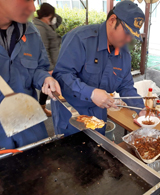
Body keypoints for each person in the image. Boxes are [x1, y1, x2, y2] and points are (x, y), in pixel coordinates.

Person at [51, 1, 145, 137]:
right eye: (126, 33)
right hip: (71, 116)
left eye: (132, 36)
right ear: (112, 20)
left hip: (98, 118)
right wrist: (91, 93)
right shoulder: (80, 39)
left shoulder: (123, 54)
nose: (128, 39)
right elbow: (62, 75)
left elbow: (126, 86)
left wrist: (140, 108)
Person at [0, 0, 61, 149]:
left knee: (38, 164)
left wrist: (45, 78)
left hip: (27, 119)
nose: (33, 8)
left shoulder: (31, 32)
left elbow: (38, 68)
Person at [33, 3, 62, 117]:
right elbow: (44, 49)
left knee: (49, 89)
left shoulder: (47, 25)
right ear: (48, 15)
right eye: (52, 15)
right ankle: (42, 108)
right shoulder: (40, 28)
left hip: (54, 63)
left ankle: (43, 108)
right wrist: (49, 68)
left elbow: (59, 20)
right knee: (48, 89)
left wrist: (52, 16)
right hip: (49, 66)